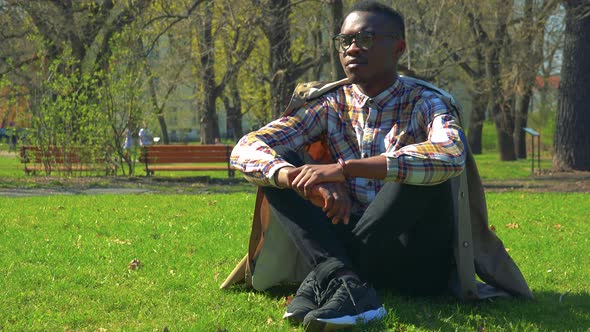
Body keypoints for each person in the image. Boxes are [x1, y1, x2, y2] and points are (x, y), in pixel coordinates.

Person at [230, 1, 530, 331]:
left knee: (416, 166)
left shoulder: (426, 101)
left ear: (398, 48)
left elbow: (451, 153)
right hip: (355, 246)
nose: (352, 48)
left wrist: (345, 170)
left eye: (366, 39)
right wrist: (302, 178)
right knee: (283, 169)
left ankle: (327, 276)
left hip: (416, 262)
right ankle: (342, 280)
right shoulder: (330, 103)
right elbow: (246, 148)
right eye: (345, 41)